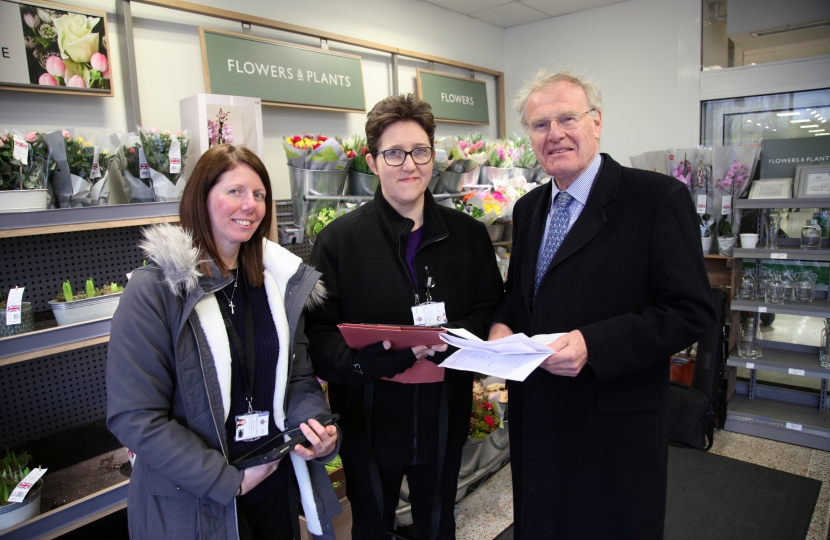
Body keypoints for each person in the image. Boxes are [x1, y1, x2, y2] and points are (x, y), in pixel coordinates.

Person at [489, 69, 715, 539]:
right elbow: (522, 295)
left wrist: (594, 344)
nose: (554, 135)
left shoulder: (655, 198)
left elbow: (691, 309)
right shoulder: (529, 208)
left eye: (567, 118)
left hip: (613, 425)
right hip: (539, 415)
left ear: (596, 122)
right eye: (540, 124)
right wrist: (501, 327)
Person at [106, 144, 342, 540]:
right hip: (194, 501)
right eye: (234, 191)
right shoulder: (156, 291)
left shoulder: (274, 285)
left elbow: (299, 381)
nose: (249, 205)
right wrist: (225, 480)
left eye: (259, 195)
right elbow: (135, 416)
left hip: (271, 483)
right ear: (202, 197)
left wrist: (314, 428)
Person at [306, 93, 504, 539]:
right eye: (393, 153)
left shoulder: (469, 237)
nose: (408, 164)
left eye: (419, 151)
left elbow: (489, 307)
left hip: (443, 408)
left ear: (433, 157)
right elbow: (317, 333)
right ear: (373, 162)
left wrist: (456, 340)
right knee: (372, 522)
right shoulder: (339, 242)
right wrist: (364, 362)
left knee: (438, 520)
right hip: (368, 411)